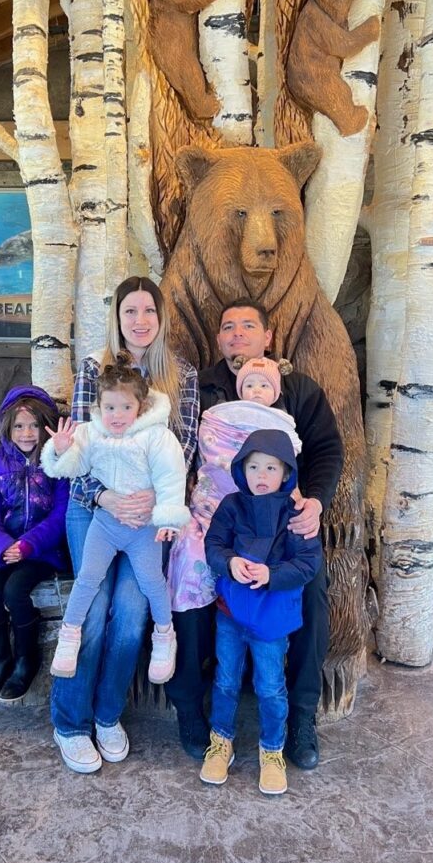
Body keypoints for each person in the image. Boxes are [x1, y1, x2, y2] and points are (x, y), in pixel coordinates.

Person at [167, 298, 343, 772]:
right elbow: (178, 448)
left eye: (249, 326)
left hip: (283, 524)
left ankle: (302, 716)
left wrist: (316, 503)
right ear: (219, 339)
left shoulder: (298, 391)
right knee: (189, 581)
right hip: (218, 516)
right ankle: (189, 705)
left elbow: (326, 449)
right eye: (228, 327)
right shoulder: (202, 388)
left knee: (311, 592)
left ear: (269, 337)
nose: (237, 333)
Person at [49, 276, 199, 774]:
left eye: (148, 311)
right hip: (92, 508)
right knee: (93, 610)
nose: (139, 321)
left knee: (133, 613)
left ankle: (108, 714)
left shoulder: (182, 375)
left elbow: (188, 451)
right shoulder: (94, 369)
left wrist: (152, 501)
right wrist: (109, 497)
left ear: (161, 316)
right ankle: (70, 722)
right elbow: (78, 450)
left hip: (148, 514)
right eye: (130, 311)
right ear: (117, 317)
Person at [42, 355, 189, 684]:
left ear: (141, 406)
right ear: (99, 407)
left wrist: (167, 517)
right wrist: (61, 449)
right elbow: (74, 467)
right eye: (109, 408)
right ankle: (69, 634)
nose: (117, 416)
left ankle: (165, 636)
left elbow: (171, 476)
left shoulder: (155, 436)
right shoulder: (92, 433)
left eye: (125, 407)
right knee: (88, 579)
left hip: (143, 528)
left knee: (152, 582)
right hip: (106, 523)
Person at [199, 430, 323, 795]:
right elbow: (213, 545)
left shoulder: (295, 513)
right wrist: (230, 561)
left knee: (270, 687)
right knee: (225, 679)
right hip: (231, 614)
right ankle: (221, 741)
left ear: (286, 473)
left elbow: (308, 563)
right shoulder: (232, 506)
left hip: (273, 619)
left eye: (271, 467)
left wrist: (271, 574)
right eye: (253, 467)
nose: (261, 475)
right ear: (241, 469)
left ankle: (272, 750)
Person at [167, 355, 301, 628]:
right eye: (249, 385)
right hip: (214, 501)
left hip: (261, 514)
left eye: (264, 386)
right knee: (190, 549)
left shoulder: (281, 424)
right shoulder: (222, 416)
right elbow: (211, 448)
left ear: (275, 392)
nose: (256, 392)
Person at [0, 386, 70, 705]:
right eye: (19, 426)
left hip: (41, 551)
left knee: (16, 592)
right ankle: (0, 661)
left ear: (46, 426)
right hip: (3, 548)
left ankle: (27, 660)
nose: (27, 433)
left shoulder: (57, 461)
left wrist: (27, 545)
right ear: (7, 427)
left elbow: (61, 515)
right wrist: (0, 546)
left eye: (34, 425)